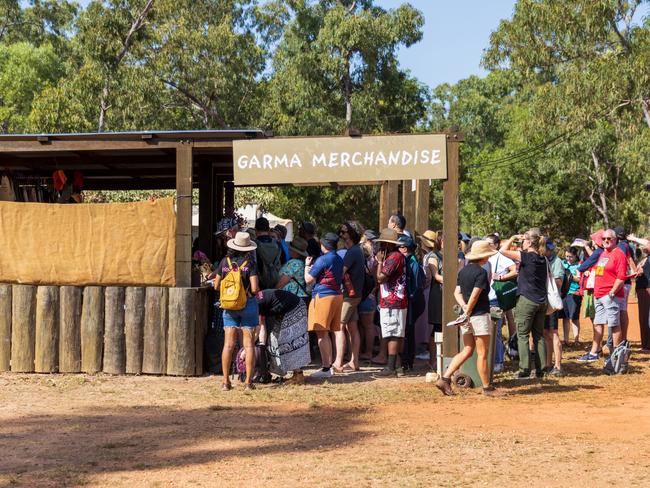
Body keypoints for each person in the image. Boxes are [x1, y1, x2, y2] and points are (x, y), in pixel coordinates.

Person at [435, 240, 503, 397]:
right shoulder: (481, 273)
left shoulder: (463, 272)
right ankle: (487, 388)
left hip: (466, 317)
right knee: (482, 353)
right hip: (478, 315)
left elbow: (456, 293)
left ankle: (445, 378)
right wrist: (469, 309)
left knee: (467, 350)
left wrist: (464, 308)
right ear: (484, 257)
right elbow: (476, 294)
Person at [212, 232, 259, 391]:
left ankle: (225, 382)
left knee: (228, 345)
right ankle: (248, 383)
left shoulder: (225, 262)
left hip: (229, 307)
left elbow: (216, 286)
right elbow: (254, 288)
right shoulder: (250, 263)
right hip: (248, 305)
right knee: (249, 345)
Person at [500, 228, 548, 380]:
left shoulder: (526, 257)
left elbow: (502, 250)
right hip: (541, 300)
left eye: (523, 241)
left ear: (528, 242)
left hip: (527, 300)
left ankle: (524, 369)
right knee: (539, 336)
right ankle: (541, 370)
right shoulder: (543, 258)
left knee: (522, 335)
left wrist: (513, 236)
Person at [577, 229, 627, 371]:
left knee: (614, 324)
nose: (605, 241)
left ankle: (616, 355)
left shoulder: (619, 254)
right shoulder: (603, 253)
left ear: (615, 240)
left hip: (610, 295)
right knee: (598, 322)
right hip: (598, 294)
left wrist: (612, 292)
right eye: (603, 238)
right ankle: (596, 351)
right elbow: (599, 271)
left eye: (609, 239)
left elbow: (621, 277)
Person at [304, 232, 344, 378]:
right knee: (330, 332)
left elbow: (308, 279)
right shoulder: (339, 258)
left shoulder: (323, 259)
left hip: (323, 296)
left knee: (321, 332)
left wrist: (306, 266)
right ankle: (329, 366)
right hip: (337, 295)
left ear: (324, 245)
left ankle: (326, 368)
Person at [256, 288, 311, 384]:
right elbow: (262, 326)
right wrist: (261, 344)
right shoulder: (255, 302)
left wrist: (248, 346)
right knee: (274, 339)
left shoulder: (255, 304)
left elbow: (258, 328)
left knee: (289, 340)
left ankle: (298, 375)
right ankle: (283, 373)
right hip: (284, 310)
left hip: (294, 307)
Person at [374, 228, 407, 377]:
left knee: (392, 334)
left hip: (392, 301)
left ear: (387, 244)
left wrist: (380, 262)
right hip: (396, 301)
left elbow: (381, 278)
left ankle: (391, 368)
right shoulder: (396, 256)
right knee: (395, 333)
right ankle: (398, 367)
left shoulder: (393, 258)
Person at [333, 222, 365, 372]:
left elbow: (341, 272)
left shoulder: (352, 252)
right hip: (355, 294)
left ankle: (338, 362)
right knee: (352, 327)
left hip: (349, 295)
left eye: (344, 232)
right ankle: (354, 361)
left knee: (339, 327)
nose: (341, 235)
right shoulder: (357, 250)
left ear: (351, 234)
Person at [485, 233, 518, 373]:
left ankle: (498, 361)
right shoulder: (483, 257)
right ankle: (490, 359)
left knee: (496, 331)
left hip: (496, 298)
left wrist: (500, 277)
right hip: (484, 298)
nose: (487, 246)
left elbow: (515, 271)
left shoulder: (501, 257)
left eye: (490, 244)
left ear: (497, 245)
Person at [398, 234, 425, 374]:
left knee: (408, 332)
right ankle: (407, 361)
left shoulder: (412, 263)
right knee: (407, 332)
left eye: (399, 246)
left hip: (411, 302)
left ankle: (408, 362)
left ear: (405, 248)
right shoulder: (410, 260)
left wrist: (409, 299)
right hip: (411, 301)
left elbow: (417, 285)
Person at [419, 230, 443, 371]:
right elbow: (435, 276)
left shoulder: (454, 256)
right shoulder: (433, 256)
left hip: (446, 294)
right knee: (437, 328)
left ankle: (438, 359)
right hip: (437, 295)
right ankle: (433, 360)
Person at [544, 239, 565, 376]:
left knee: (554, 333)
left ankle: (558, 365)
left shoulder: (556, 262)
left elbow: (558, 282)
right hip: (544, 302)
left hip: (552, 301)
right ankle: (548, 363)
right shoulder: (544, 260)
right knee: (546, 333)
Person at [359, 229, 379, 360]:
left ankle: (367, 352)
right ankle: (366, 351)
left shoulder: (363, 257)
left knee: (365, 326)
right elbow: (376, 281)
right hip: (370, 296)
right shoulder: (376, 259)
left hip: (363, 296)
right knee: (366, 325)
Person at [275, 236, 310, 304]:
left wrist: (273, 292)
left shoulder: (294, 263)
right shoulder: (302, 262)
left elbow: (282, 282)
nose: (289, 249)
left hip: (293, 298)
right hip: (301, 297)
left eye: (291, 249)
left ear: (295, 252)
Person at [630, 235, 650, 351]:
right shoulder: (645, 258)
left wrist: (634, 239)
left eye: (646, 244)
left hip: (647, 289)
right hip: (642, 290)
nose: (643, 246)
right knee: (643, 318)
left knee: (647, 318)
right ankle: (646, 345)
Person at [560, 247, 582, 347]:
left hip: (574, 293)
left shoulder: (579, 265)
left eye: (571, 257)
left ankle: (576, 339)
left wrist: (570, 276)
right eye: (567, 256)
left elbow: (579, 279)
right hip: (563, 293)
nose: (568, 259)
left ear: (575, 256)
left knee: (574, 317)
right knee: (565, 317)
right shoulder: (562, 263)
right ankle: (566, 340)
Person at [255, 217, 283, 290]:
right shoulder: (278, 244)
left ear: (255, 229)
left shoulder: (253, 245)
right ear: (268, 229)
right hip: (275, 280)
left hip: (258, 283)